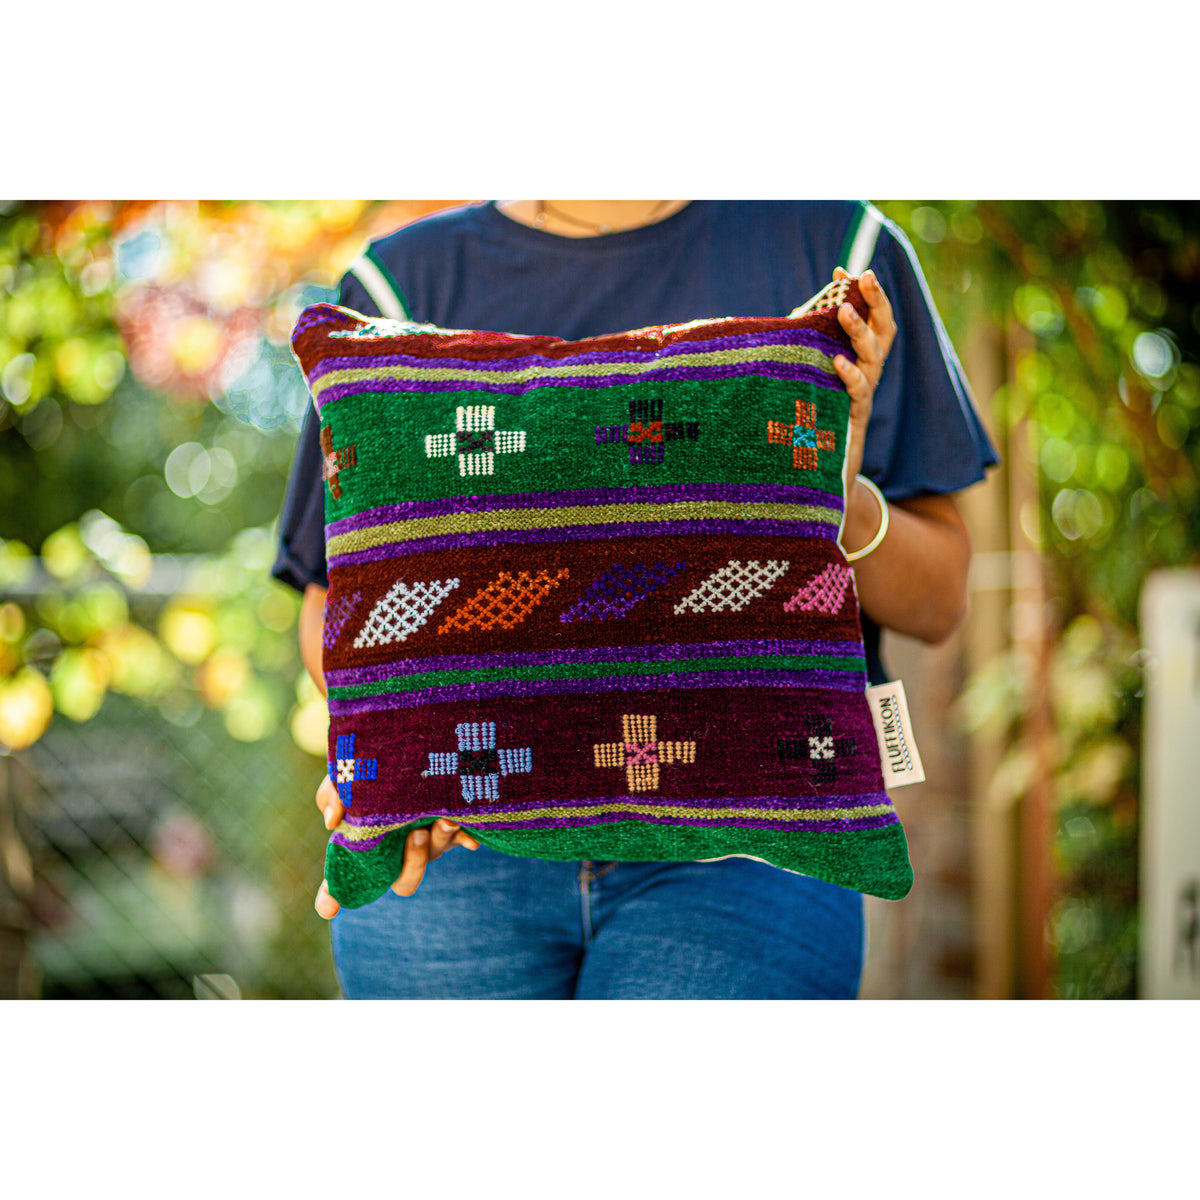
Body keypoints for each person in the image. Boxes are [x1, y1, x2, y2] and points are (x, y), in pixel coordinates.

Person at [272, 199, 999, 999]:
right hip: (459, 864)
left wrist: (839, 489)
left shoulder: (831, 243)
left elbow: (939, 604)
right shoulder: (400, 282)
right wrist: (397, 760)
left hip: (746, 856)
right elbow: (330, 606)